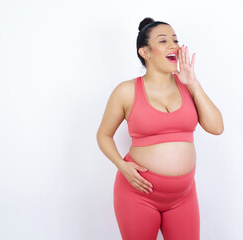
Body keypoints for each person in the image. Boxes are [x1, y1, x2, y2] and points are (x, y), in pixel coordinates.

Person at [96, 17, 224, 240]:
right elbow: (104, 135)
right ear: (145, 52)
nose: (173, 45)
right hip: (138, 194)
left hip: (183, 196)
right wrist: (122, 166)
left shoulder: (187, 86)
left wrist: (193, 83)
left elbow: (216, 127)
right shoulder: (126, 91)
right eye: (163, 41)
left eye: (175, 40)